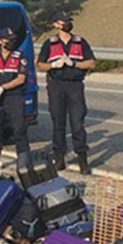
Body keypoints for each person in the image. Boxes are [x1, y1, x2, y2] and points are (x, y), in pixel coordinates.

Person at [37, 11, 96, 175]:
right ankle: (59, 158)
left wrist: (74, 63)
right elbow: (40, 65)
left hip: (75, 86)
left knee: (78, 123)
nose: (67, 24)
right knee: (58, 124)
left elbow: (91, 63)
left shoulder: (80, 41)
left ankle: (82, 160)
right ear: (55, 24)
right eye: (63, 21)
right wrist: (53, 65)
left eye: (68, 21)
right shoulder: (50, 43)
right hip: (56, 85)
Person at [0, 27, 31, 167]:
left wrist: (2, 88)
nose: (12, 42)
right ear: (0, 41)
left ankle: (23, 163)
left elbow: (21, 79)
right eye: (8, 40)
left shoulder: (20, 57)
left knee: (19, 129)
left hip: (14, 97)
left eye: (13, 40)